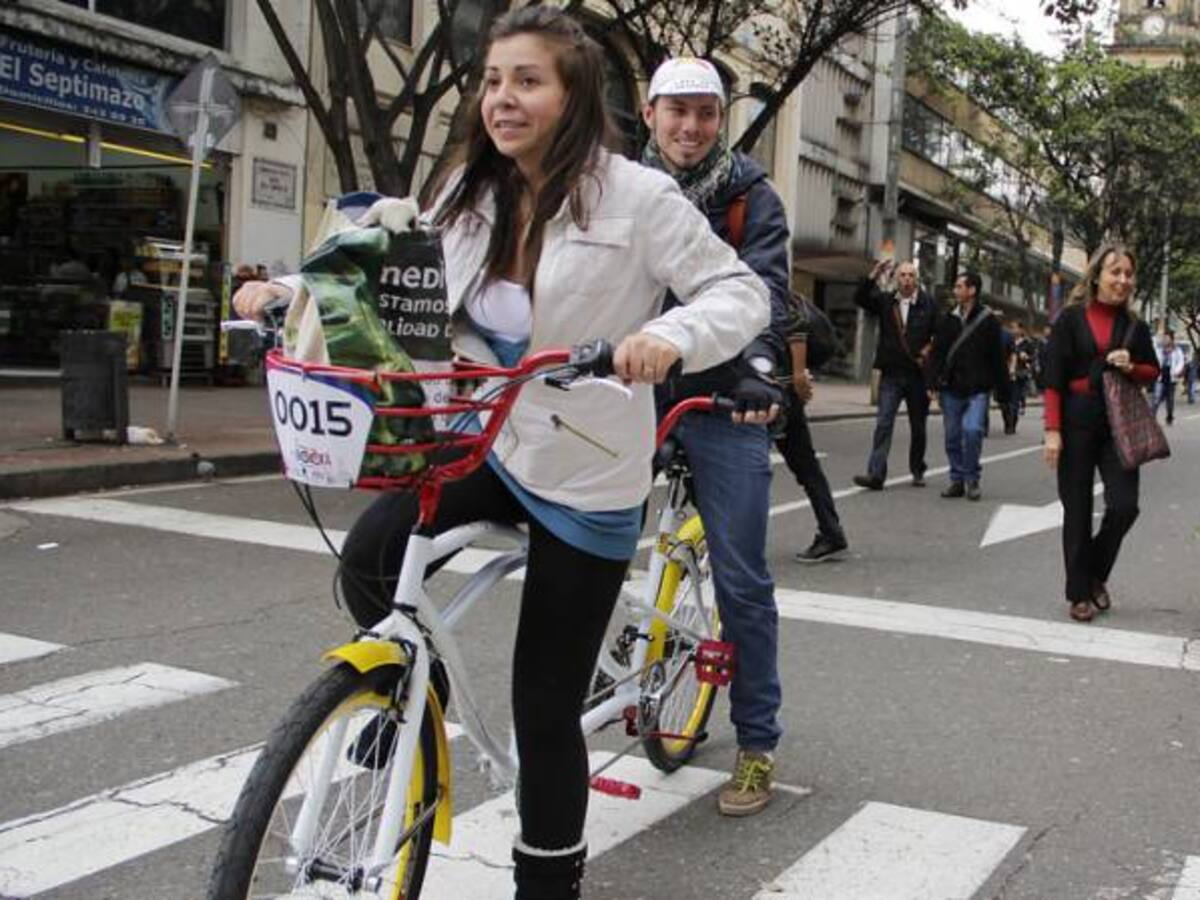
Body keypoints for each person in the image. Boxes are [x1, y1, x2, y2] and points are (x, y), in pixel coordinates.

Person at [234, 10, 769, 899]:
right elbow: (377, 264)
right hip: (485, 434)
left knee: (544, 705)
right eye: (491, 80)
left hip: (587, 467)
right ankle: (412, 685)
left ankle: (548, 885)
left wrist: (667, 338)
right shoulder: (465, 192)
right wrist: (284, 289)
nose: (502, 99)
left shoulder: (638, 198)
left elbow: (737, 289)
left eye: (527, 81)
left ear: (573, 96)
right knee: (369, 558)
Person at [640, 56, 791, 816]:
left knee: (740, 578)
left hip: (724, 393)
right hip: (627, 386)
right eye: (677, 111)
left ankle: (757, 743)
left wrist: (761, 373)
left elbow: (766, 290)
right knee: (572, 542)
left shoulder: (748, 197)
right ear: (649, 113)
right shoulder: (616, 188)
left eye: (705, 112)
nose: (691, 127)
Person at [1042, 243, 1159, 624]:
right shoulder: (1070, 319)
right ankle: (1079, 593)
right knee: (1076, 510)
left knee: (1125, 505)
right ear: (1096, 276)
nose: (1123, 280)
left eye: (1128, 274)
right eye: (1115, 272)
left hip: (1118, 422)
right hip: (1076, 420)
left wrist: (1132, 367)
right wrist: (1053, 431)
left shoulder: (1136, 326)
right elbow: (1053, 380)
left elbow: (1153, 372)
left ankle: (1093, 573)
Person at [852, 259, 940, 490]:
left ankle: (918, 469)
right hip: (891, 374)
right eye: (902, 275)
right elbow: (860, 299)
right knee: (883, 423)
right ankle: (876, 474)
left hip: (917, 376)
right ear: (896, 278)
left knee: (918, 426)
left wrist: (927, 352)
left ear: (917, 279)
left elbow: (940, 336)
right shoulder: (885, 301)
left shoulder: (929, 304)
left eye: (911, 275)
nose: (907, 279)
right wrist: (873, 275)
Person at [931, 272, 1006, 501]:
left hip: (977, 389)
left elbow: (997, 356)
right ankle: (957, 479)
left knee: (973, 431)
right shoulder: (948, 319)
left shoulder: (988, 320)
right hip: (951, 388)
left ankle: (972, 479)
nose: (955, 290)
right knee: (952, 436)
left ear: (972, 290)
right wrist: (933, 382)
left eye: (959, 286)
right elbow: (938, 354)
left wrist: (1002, 389)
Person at [1151, 329, 1185, 425]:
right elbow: (1155, 358)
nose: (1165, 339)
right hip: (1161, 375)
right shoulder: (1159, 348)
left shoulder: (1177, 350)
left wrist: (1176, 371)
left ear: (1171, 339)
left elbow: (1180, 362)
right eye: (1164, 338)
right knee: (1156, 398)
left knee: (1170, 400)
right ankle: (1152, 416)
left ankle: (1169, 417)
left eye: (1167, 338)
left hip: (1171, 376)